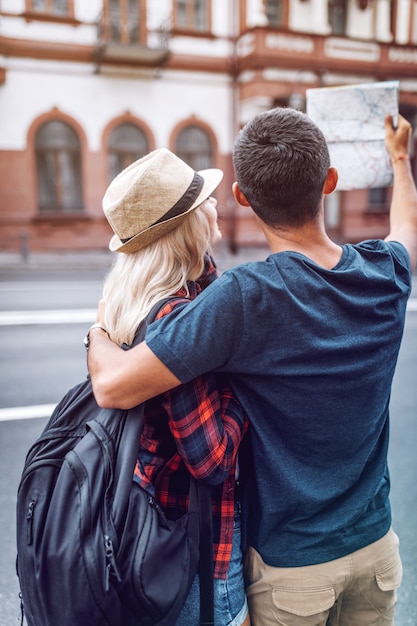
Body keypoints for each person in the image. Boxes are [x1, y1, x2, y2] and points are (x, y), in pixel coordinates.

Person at [88, 109, 417, 626]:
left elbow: (111, 385)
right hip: (377, 550)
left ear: (242, 196)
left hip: (293, 571)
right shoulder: (386, 271)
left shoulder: (244, 298)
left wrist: (98, 332)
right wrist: (400, 157)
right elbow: (408, 227)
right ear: (330, 182)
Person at [92, 148, 251, 626]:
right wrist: (246, 396)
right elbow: (212, 460)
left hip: (145, 538)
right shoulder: (178, 321)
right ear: (184, 225)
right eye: (202, 200)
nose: (215, 203)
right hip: (199, 553)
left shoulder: (127, 299)